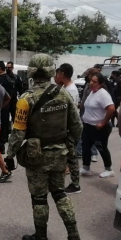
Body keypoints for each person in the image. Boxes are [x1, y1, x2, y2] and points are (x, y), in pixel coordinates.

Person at [6, 53, 84, 240]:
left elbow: (18, 132)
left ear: (31, 72)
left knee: (40, 198)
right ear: (51, 71)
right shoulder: (64, 94)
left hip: (36, 157)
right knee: (60, 194)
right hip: (60, 155)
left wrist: (10, 154)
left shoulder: (25, 99)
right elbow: (77, 127)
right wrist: (67, 147)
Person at [80, 73, 116, 178]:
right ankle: (86, 168)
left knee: (101, 148)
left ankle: (109, 169)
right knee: (85, 147)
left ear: (100, 84)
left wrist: (103, 122)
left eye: (94, 82)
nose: (91, 83)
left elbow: (111, 109)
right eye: (91, 80)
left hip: (98, 128)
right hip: (88, 126)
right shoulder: (92, 92)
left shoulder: (103, 94)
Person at [54, 64, 82, 195]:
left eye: (57, 73)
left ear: (62, 74)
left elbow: (65, 112)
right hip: (69, 127)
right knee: (68, 156)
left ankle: (75, 184)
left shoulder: (69, 90)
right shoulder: (68, 88)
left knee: (71, 157)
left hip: (70, 128)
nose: (56, 76)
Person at [0, 61, 17, 158]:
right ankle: (3, 144)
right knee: (5, 124)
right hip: (8, 103)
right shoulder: (9, 78)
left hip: (3, 104)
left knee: (2, 125)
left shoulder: (1, 79)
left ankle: (1, 145)